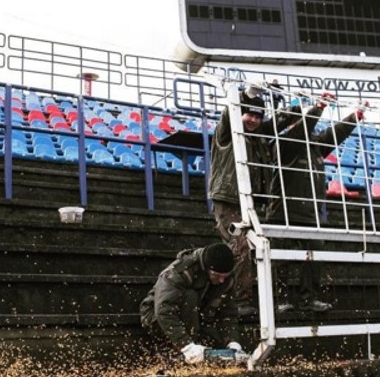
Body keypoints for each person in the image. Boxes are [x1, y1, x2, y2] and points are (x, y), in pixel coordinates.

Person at [265, 92, 366, 313]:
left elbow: (335, 134)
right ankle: (279, 300)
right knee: (280, 261)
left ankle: (307, 299)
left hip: (310, 215)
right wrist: (318, 108)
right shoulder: (284, 144)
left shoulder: (315, 146)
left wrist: (355, 116)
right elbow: (301, 130)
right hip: (283, 213)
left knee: (315, 257)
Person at [208, 82, 297, 317]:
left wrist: (303, 106)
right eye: (249, 114)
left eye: (258, 116)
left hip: (254, 201)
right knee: (240, 247)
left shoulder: (258, 137)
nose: (253, 120)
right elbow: (230, 113)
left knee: (266, 245)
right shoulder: (227, 133)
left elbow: (280, 122)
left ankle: (271, 299)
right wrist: (248, 95)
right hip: (229, 199)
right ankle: (240, 301)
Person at [139, 243, 246, 365]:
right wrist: (186, 346)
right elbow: (164, 310)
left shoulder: (226, 277)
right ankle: (180, 355)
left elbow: (228, 312)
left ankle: (194, 350)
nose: (221, 280)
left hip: (197, 317)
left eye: (224, 276)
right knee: (191, 295)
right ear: (207, 268)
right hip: (157, 317)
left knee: (216, 343)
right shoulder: (181, 271)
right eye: (217, 275)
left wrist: (232, 343)